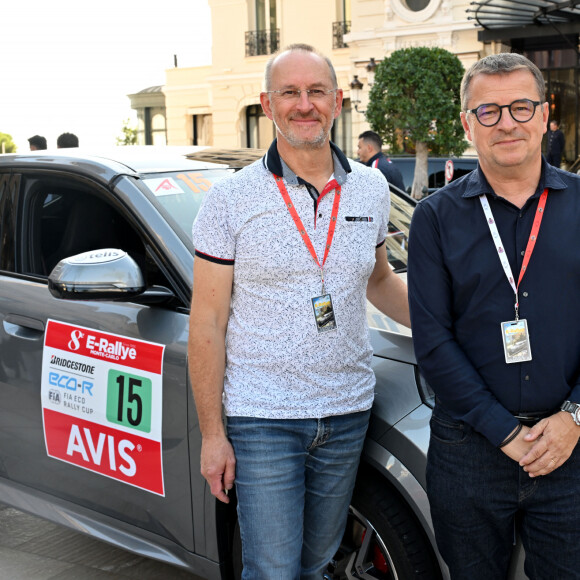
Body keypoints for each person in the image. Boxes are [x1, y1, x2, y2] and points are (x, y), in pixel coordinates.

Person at [188, 43, 410, 579]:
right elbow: (207, 324)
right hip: (263, 417)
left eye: (316, 92)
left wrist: (445, 327)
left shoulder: (372, 187)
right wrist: (214, 435)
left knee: (315, 565)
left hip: (347, 409)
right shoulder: (231, 199)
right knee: (272, 571)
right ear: (268, 104)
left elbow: (379, 279)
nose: (304, 104)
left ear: (336, 102)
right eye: (290, 92)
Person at [408, 52, 580, 579]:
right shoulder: (434, 218)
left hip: (569, 447)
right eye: (489, 111)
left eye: (521, 107)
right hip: (469, 451)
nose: (507, 122)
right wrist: (504, 433)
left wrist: (575, 417)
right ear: (467, 124)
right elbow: (434, 342)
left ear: (546, 114)